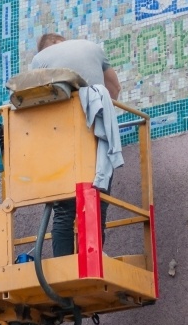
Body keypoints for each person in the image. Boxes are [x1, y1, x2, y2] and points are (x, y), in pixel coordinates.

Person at [30, 33, 122, 257]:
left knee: (64, 210)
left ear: (45, 47)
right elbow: (115, 89)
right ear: (60, 41)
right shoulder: (92, 47)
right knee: (97, 204)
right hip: (96, 137)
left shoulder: (39, 59)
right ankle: (93, 260)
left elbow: (33, 102)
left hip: (61, 141)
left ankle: (64, 265)